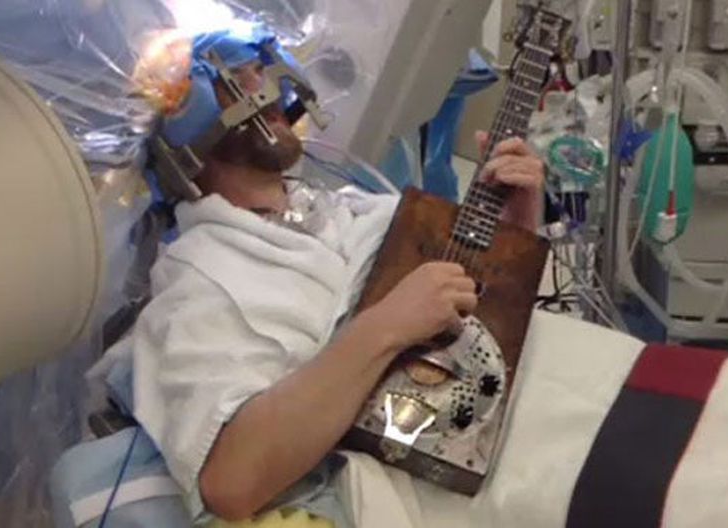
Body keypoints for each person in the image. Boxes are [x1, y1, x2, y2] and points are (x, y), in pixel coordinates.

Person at [127, 33, 546, 524]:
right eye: (239, 80)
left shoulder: (353, 210)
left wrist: (516, 231)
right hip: (450, 485)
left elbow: (476, 323)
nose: (268, 86)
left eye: (261, 70)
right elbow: (231, 482)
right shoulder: (200, 276)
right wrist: (386, 326)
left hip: (527, 411)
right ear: (184, 126)